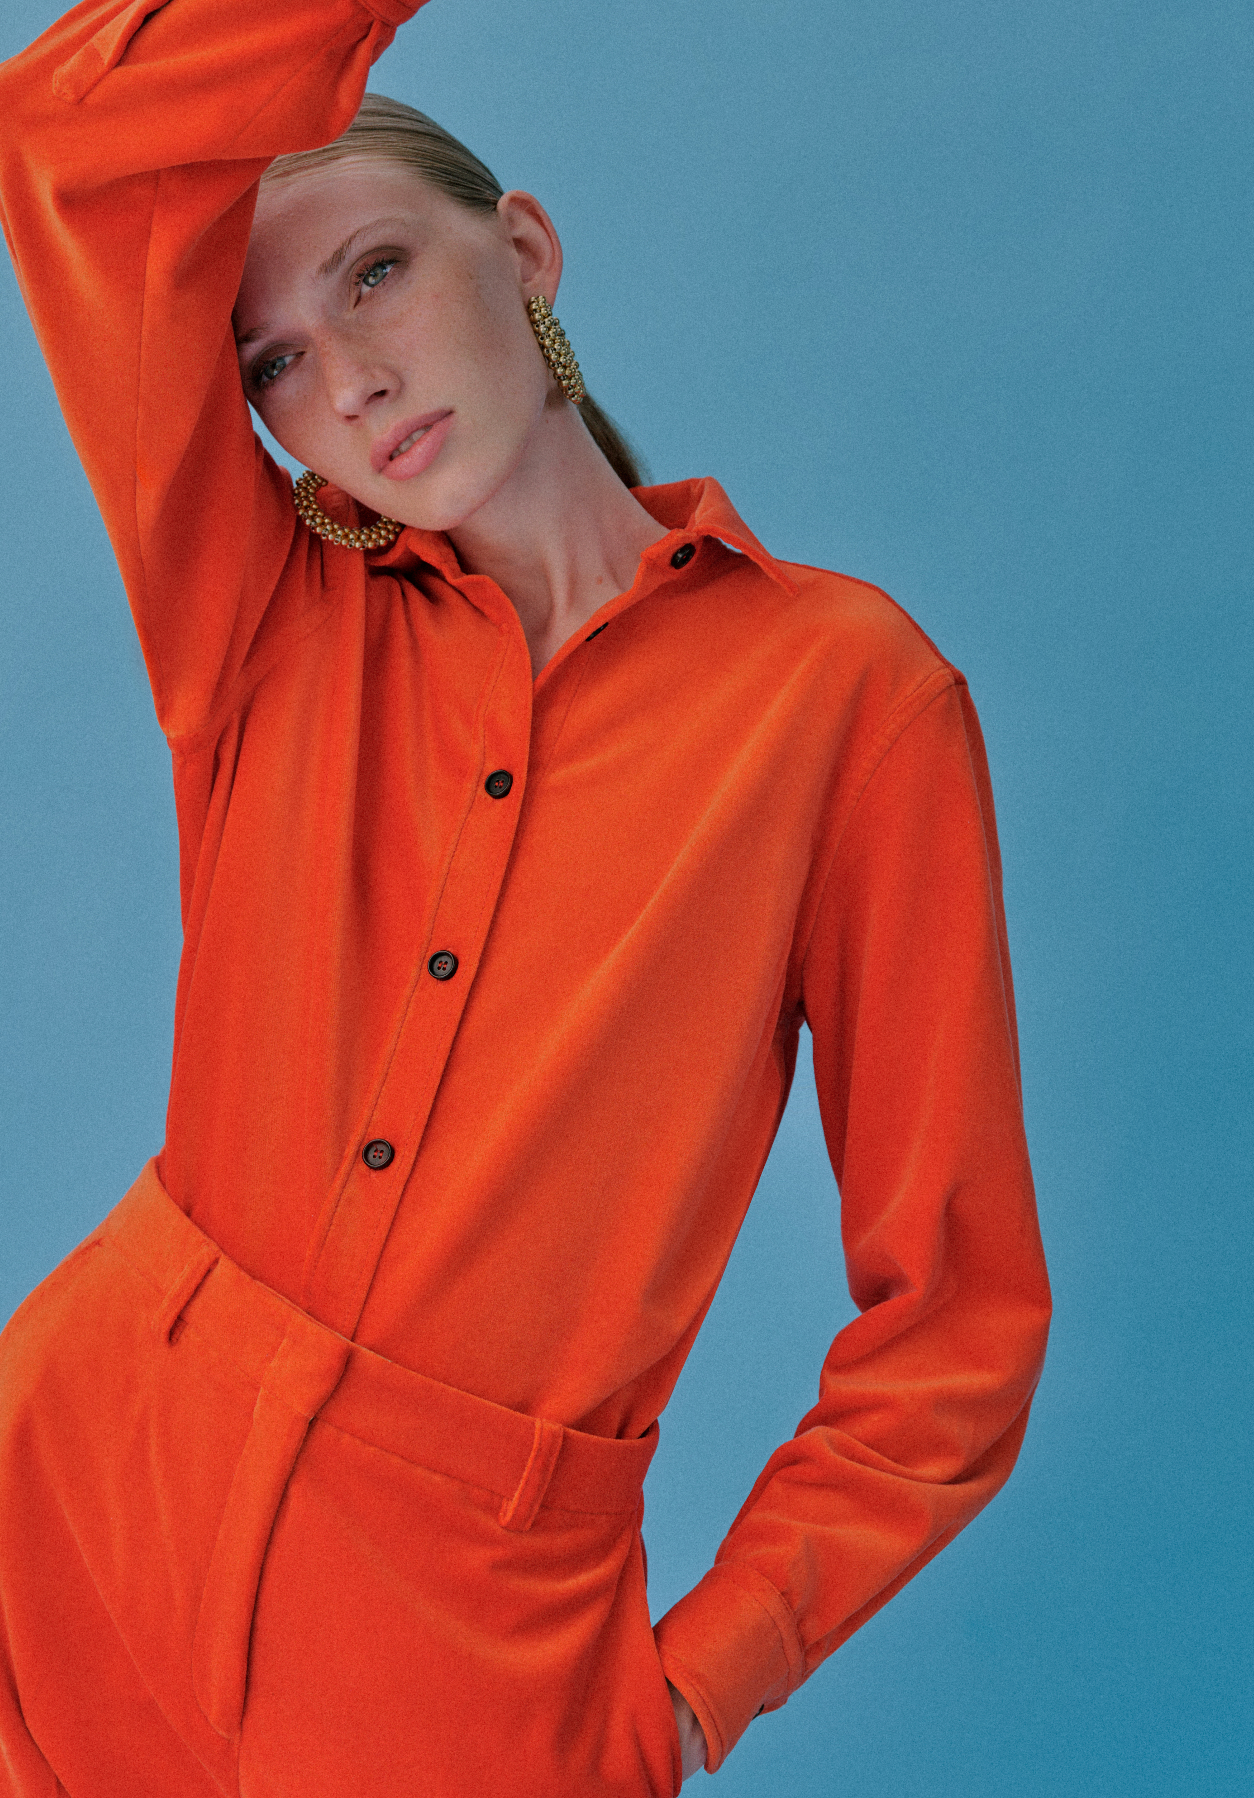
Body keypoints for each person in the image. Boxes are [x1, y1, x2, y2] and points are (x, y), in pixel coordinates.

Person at [0, 1, 1052, 1793]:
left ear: (527, 250)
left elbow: (958, 1319)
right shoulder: (262, 618)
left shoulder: (842, 702)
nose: (346, 377)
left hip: (461, 1650)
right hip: (69, 1510)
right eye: (272, 359)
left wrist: (703, 1681)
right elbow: (59, 140)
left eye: (376, 272)